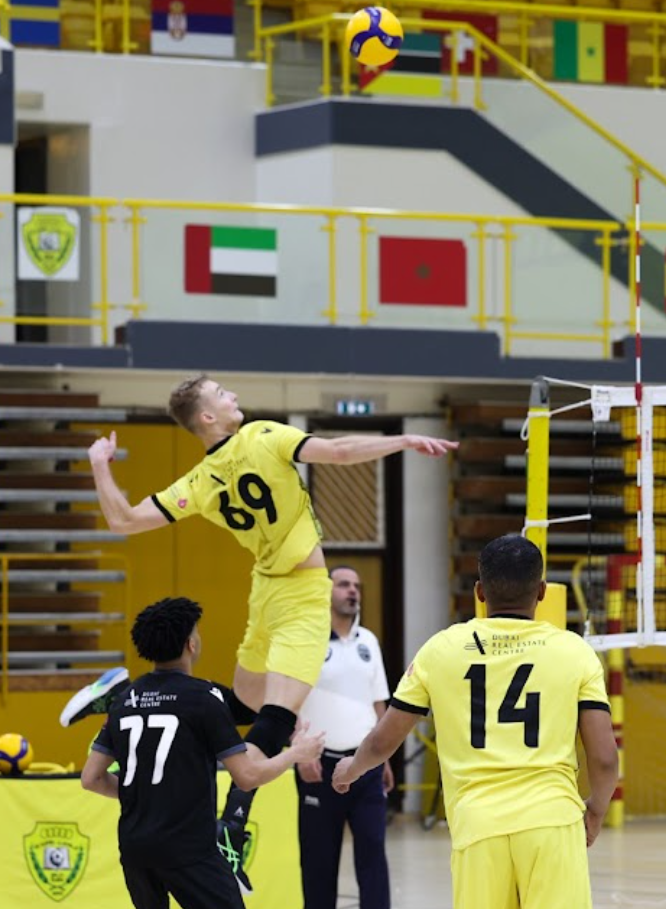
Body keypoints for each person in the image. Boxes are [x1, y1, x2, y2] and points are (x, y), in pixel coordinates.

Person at [64, 375, 456, 891]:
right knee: (273, 720)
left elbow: (123, 520)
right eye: (222, 394)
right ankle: (230, 829)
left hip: (264, 589)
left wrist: (98, 465)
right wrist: (402, 441)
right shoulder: (265, 436)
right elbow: (337, 452)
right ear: (207, 417)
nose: (232, 397)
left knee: (245, 709)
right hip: (299, 596)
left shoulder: (199, 482)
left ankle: (121, 699)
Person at [330, 534, 620, 909]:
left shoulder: (440, 650)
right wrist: (596, 809)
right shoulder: (574, 651)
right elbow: (605, 759)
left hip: (478, 826)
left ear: (480, 592)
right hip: (552, 822)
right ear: (542, 591)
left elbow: (383, 741)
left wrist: (350, 769)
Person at [80, 597, 325, 909]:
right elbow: (247, 777)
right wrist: (296, 753)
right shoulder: (206, 699)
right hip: (189, 849)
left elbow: (91, 778)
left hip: (135, 848)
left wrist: (142, 796)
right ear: (190, 644)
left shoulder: (124, 700)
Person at [295, 566, 394, 909]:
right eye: (343, 585)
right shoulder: (307, 639)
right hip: (318, 768)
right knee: (318, 861)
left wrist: (385, 756)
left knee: (373, 856)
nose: (352, 591)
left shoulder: (369, 641)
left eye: (357, 585)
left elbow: (379, 700)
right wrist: (300, 751)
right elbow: (288, 700)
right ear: (327, 592)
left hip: (365, 766)